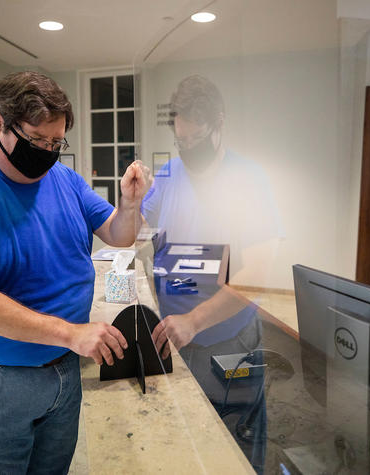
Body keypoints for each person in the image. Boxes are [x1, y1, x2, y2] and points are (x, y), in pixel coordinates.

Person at [0, 71, 149, 474]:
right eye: (38, 141)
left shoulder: (65, 180)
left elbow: (120, 236)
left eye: (57, 142)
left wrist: (129, 204)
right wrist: (71, 332)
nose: (48, 151)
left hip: (63, 368)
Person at [142, 75, 283, 473]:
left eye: (197, 139)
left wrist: (195, 320)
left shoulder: (248, 179)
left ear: (218, 123)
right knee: (186, 447)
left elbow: (257, 273)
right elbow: (137, 227)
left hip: (227, 339)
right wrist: (131, 198)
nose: (188, 149)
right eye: (181, 140)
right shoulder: (170, 174)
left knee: (236, 449)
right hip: (177, 338)